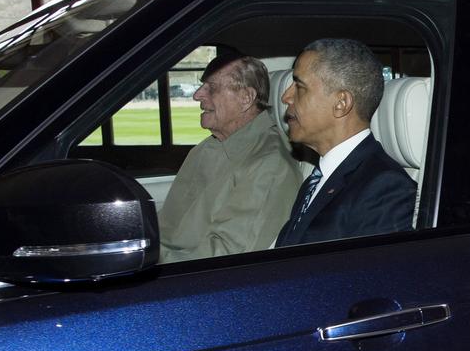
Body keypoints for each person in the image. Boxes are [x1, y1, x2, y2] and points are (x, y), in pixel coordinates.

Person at [157, 54, 302, 262]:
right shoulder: (208, 147)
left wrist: (149, 260)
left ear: (246, 98)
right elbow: (171, 223)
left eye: (212, 88)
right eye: (202, 87)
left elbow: (225, 259)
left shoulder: (268, 166)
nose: (197, 95)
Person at [274, 38, 416, 248]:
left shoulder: (385, 188)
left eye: (300, 86)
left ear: (341, 103)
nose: (286, 97)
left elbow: (370, 278)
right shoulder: (317, 179)